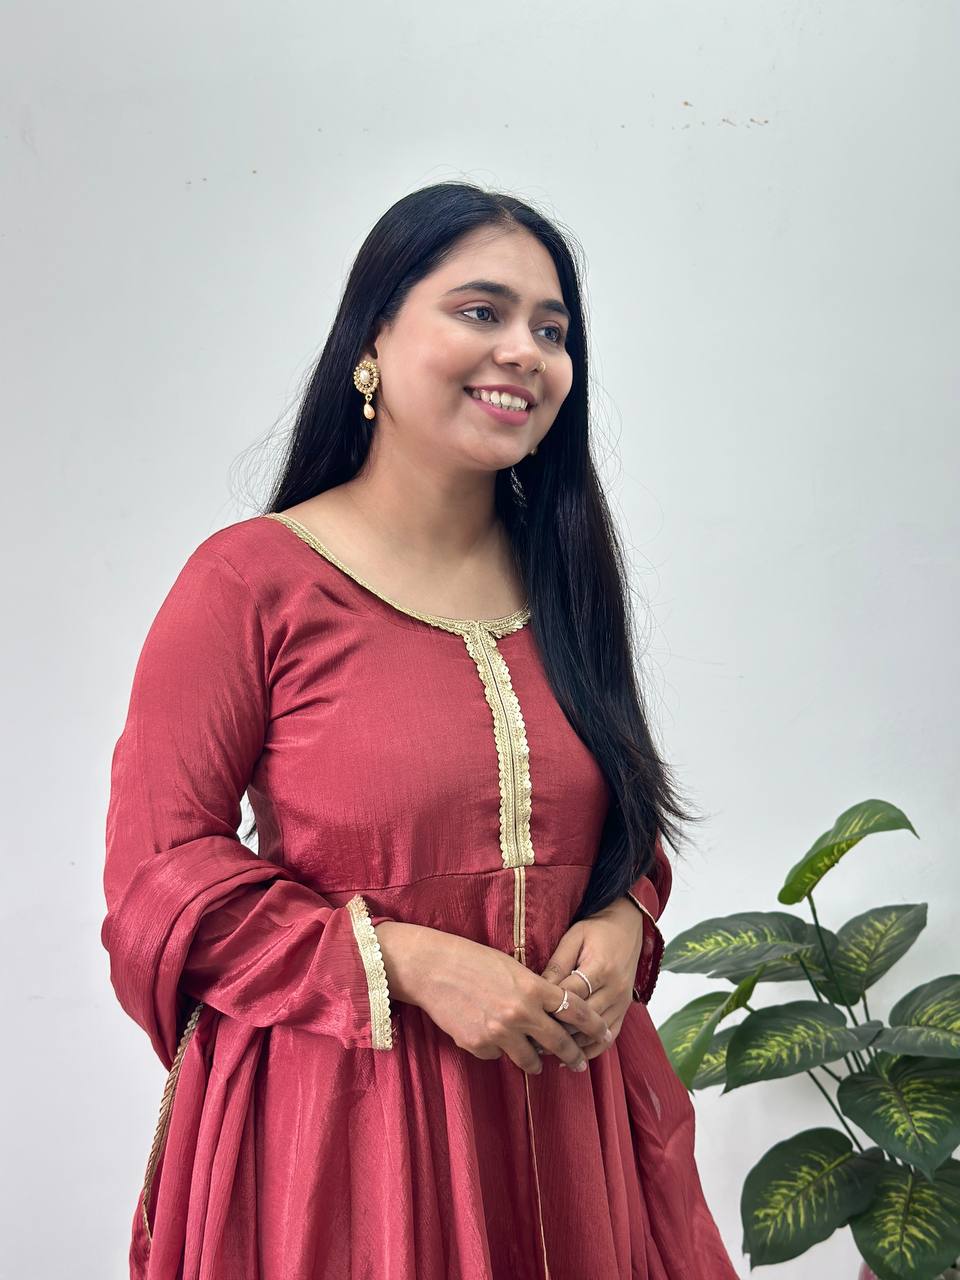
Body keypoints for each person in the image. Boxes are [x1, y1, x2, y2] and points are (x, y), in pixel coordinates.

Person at [101, 181, 740, 1279]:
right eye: (481, 311)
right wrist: (406, 961)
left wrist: (621, 917)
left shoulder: (565, 576)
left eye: (552, 329)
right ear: (372, 340)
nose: (526, 352)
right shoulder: (250, 583)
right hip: (344, 1135)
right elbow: (160, 876)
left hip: (568, 1128)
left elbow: (615, 823)